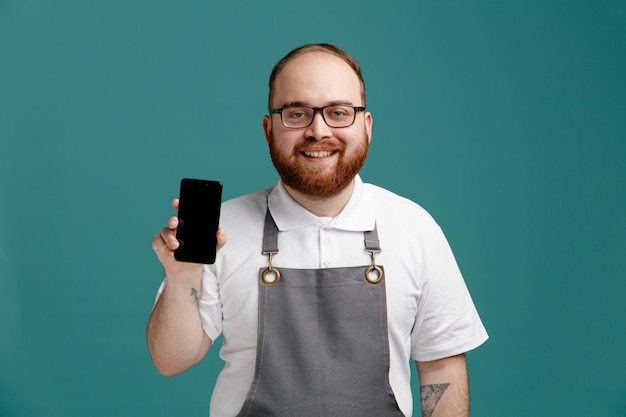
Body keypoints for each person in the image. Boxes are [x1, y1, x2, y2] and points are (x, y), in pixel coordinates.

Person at [147, 43, 488, 417]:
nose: (318, 130)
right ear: (268, 129)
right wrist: (180, 278)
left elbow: (442, 367)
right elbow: (170, 360)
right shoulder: (223, 230)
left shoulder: (414, 229)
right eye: (296, 114)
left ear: (367, 126)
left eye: (339, 112)